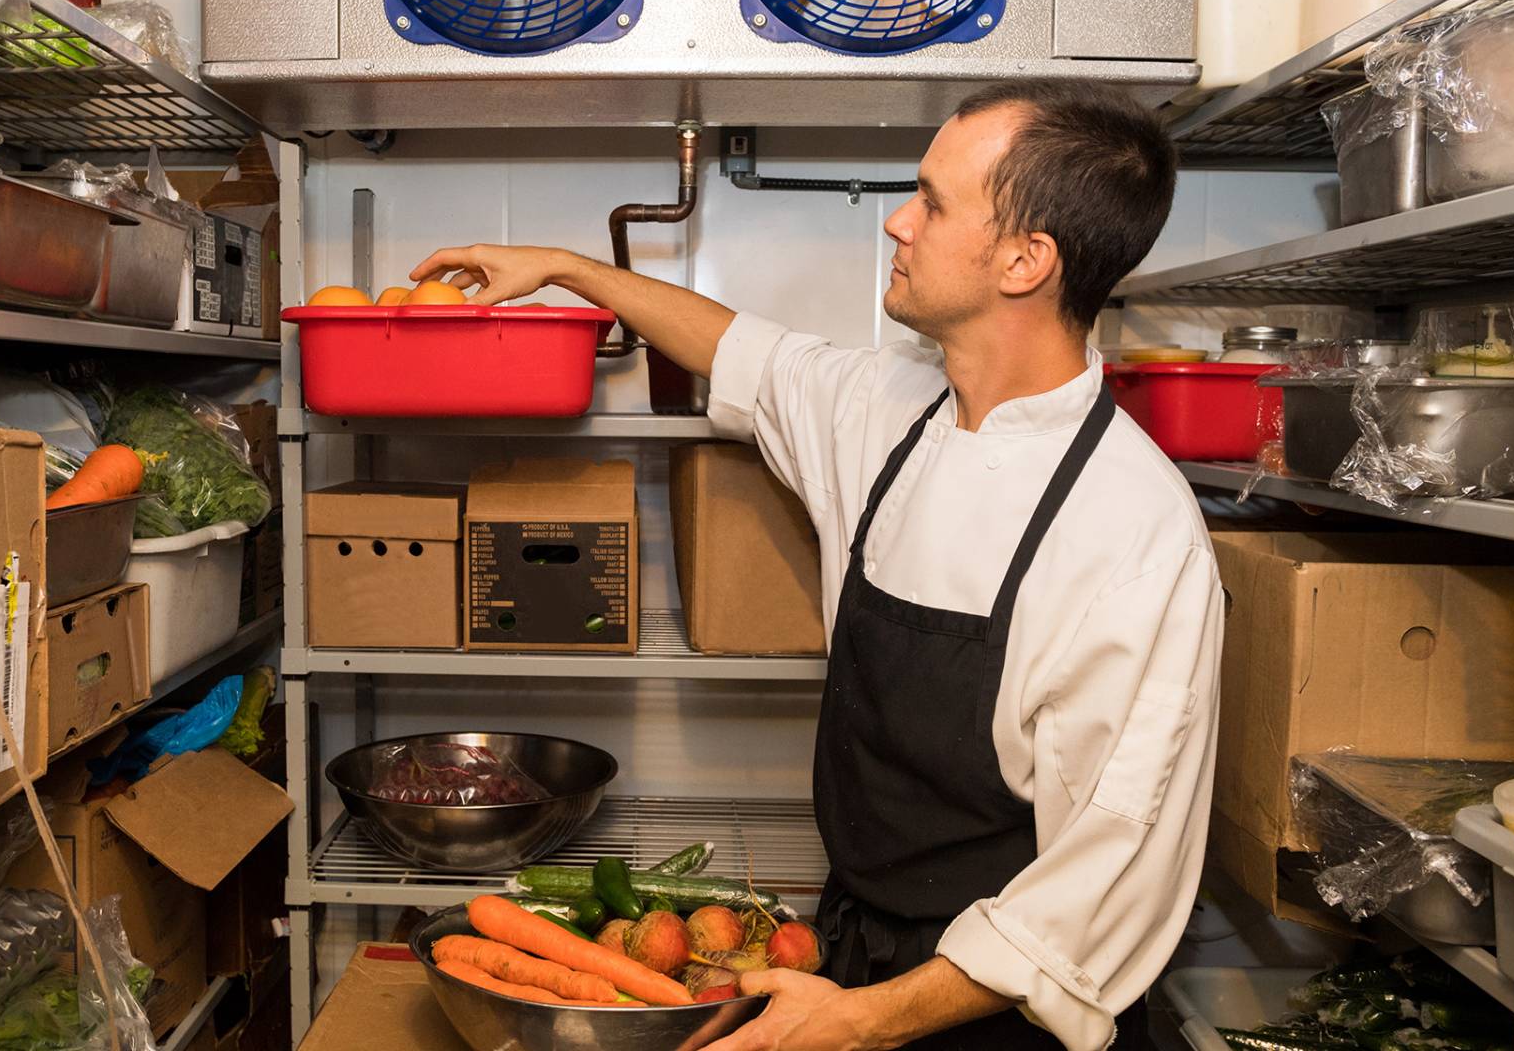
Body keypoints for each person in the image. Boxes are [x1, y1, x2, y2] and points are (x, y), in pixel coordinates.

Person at [410, 78, 1222, 1051]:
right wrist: (566, 269)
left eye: (931, 200)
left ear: (1023, 260)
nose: (896, 224)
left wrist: (871, 1021)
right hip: (848, 960)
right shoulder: (894, 410)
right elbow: (738, 351)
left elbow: (1109, 875)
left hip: (995, 1011)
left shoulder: (1135, 536)